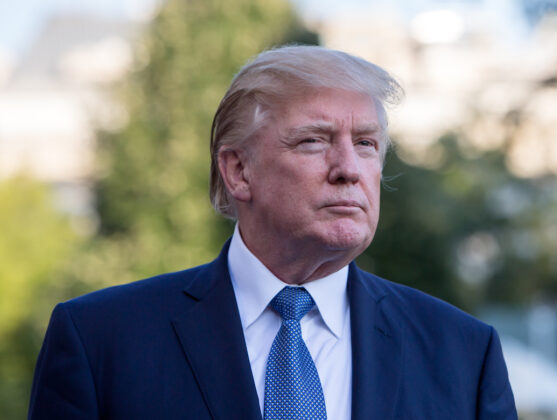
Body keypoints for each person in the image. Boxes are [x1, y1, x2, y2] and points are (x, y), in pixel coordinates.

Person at [29, 45, 517, 419]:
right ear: (238, 170)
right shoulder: (101, 342)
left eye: (366, 143)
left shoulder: (464, 354)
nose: (349, 168)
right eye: (313, 141)